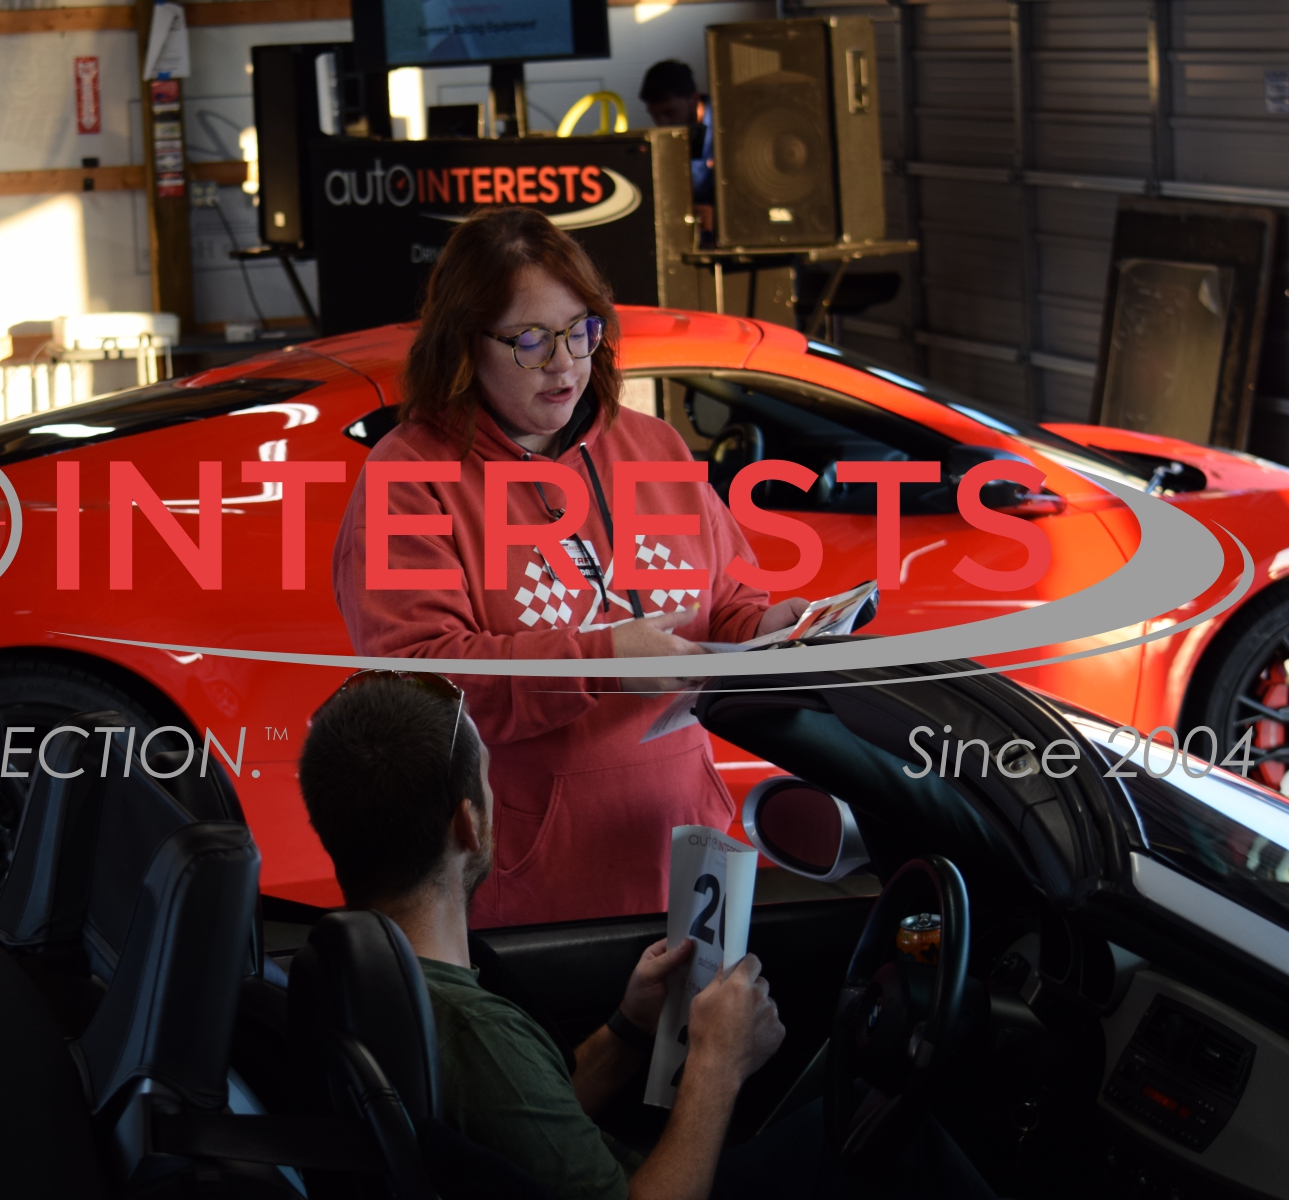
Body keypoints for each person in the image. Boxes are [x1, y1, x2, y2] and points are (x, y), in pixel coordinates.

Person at [297, 671, 996, 1200]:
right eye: (488, 782)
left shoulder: (357, 972)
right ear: (467, 824)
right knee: (900, 1144)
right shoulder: (472, 1030)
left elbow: (523, 1123)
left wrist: (629, 1028)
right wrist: (717, 1064)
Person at [330, 206, 808, 928]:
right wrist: (602, 660)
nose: (564, 363)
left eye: (581, 330)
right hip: (533, 891)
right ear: (464, 344)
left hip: (685, 854)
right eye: (530, 341)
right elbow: (421, 687)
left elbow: (724, 601)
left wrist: (770, 629)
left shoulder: (653, 447)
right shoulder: (412, 476)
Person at [640, 60, 716, 235]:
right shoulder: (663, 139)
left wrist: (720, 215)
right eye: (655, 115)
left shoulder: (731, 125)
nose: (662, 123)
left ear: (694, 99)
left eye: (670, 113)